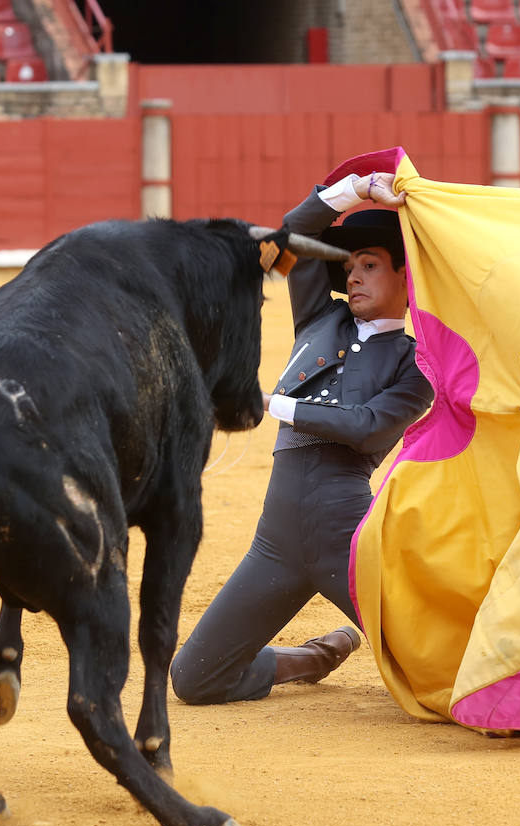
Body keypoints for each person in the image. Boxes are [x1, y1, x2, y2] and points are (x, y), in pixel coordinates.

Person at [169, 172, 435, 704]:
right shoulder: (318, 315)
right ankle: (311, 657)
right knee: (195, 680)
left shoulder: (419, 364)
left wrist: (272, 403)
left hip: (347, 537)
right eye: (349, 266)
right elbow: (276, 247)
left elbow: (367, 429)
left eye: (370, 265)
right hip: (277, 538)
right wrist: (353, 190)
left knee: (435, 668)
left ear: (407, 280)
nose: (352, 276)